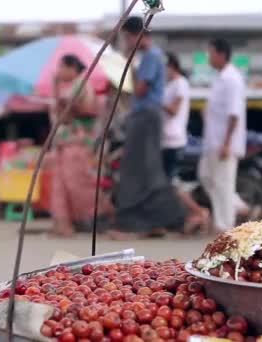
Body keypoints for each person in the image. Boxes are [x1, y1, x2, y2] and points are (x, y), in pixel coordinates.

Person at [108, 17, 187, 239]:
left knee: (138, 170)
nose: (126, 42)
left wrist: (128, 62)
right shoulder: (149, 58)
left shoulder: (152, 56)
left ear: (135, 35)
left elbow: (139, 90)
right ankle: (154, 223)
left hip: (146, 116)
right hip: (145, 116)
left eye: (126, 38)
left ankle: (140, 223)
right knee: (144, 170)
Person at [49, 54, 110, 236]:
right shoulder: (72, 86)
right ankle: (63, 224)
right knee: (62, 184)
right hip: (67, 141)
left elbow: (86, 110)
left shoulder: (83, 85)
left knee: (77, 184)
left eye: (61, 67)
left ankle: (100, 215)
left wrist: (67, 105)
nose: (59, 71)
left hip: (77, 142)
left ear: (72, 67)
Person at [199, 38, 247, 232]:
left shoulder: (232, 79)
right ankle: (236, 205)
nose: (208, 58)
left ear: (220, 54)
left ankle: (225, 225)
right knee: (206, 176)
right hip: (212, 141)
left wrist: (227, 143)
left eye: (210, 54)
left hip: (225, 142)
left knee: (223, 183)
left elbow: (234, 114)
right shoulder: (219, 78)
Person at [161, 52, 191, 180]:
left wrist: (156, 99)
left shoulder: (180, 84)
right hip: (165, 139)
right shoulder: (169, 85)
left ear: (171, 66)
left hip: (174, 140)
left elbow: (174, 110)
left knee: (168, 180)